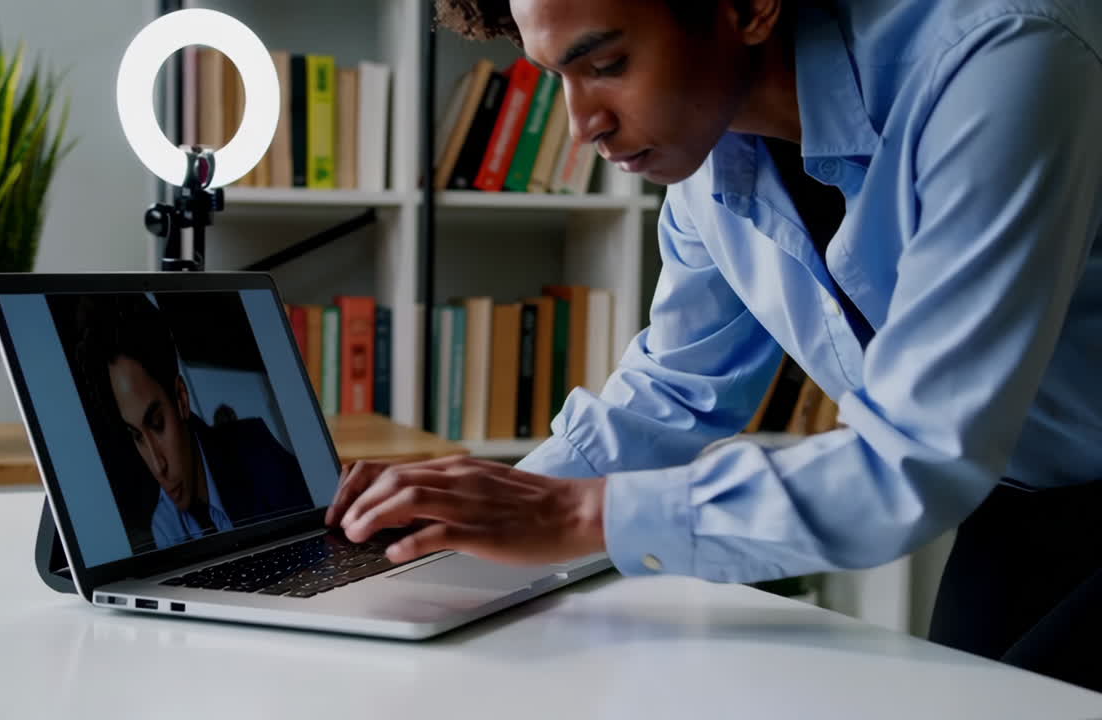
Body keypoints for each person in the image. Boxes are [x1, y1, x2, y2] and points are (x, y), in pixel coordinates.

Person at [328, 0, 1102, 689]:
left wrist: (575, 516)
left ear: (751, 8)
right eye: (557, 77)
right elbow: (674, 392)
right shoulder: (711, 160)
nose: (581, 123)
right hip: (1017, 500)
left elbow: (913, 460)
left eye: (606, 65)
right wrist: (456, 527)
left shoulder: (1001, 55)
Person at [77, 295, 314, 550]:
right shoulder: (165, 525)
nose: (158, 466)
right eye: (137, 435)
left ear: (181, 399)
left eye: (157, 424)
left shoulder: (258, 452)